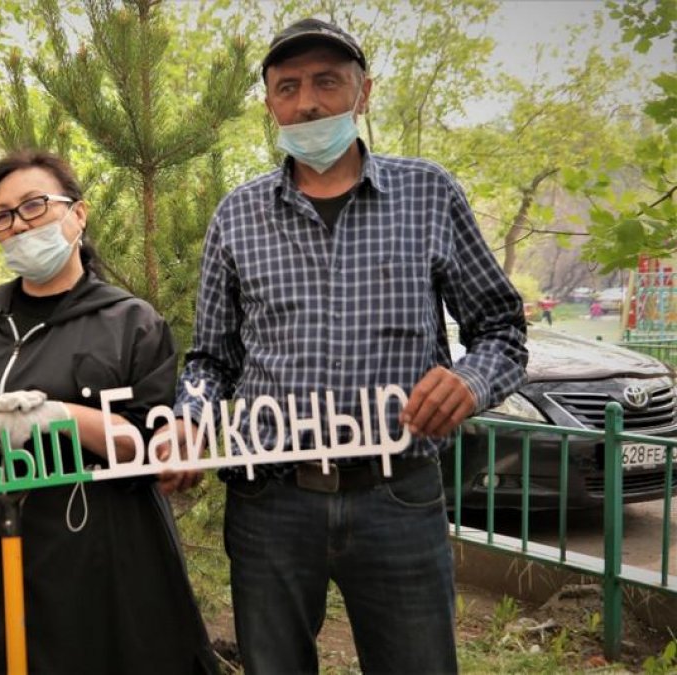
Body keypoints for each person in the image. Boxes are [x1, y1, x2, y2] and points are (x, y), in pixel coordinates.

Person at [156, 18, 528, 674]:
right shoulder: (237, 215)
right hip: (269, 502)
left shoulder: (428, 194)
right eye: (288, 87)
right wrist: (189, 417)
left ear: (364, 93)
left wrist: (470, 381)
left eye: (327, 82)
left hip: (398, 496)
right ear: (269, 104)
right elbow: (212, 359)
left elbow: (502, 329)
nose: (307, 103)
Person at [0, 151, 217, 674]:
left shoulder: (131, 323)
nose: (19, 224)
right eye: (3, 215)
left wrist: (59, 416)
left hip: (102, 555)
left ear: (78, 213)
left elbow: (151, 443)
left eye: (34, 205)